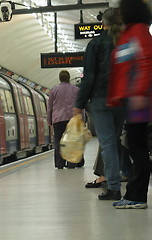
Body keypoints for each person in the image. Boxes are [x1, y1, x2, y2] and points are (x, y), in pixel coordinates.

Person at [73, 8, 126, 200]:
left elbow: (90, 77)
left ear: (103, 23)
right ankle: (124, 173)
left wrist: (79, 103)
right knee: (115, 140)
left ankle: (113, 187)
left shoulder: (95, 43)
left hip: (101, 99)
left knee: (108, 143)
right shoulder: (126, 43)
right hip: (122, 99)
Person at [107, 0, 152, 209]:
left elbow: (145, 63)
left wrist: (140, 93)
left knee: (137, 147)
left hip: (138, 99)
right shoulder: (132, 32)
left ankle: (138, 196)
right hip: (133, 98)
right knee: (134, 146)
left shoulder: (139, 32)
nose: (119, 15)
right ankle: (134, 194)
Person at [47, 70, 84, 169]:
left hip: (58, 119)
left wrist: (49, 120)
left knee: (59, 142)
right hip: (73, 119)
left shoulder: (54, 90)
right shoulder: (76, 90)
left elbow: (50, 107)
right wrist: (82, 120)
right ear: (69, 78)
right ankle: (71, 164)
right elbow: (81, 105)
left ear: (60, 78)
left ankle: (60, 164)